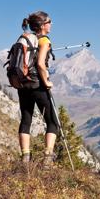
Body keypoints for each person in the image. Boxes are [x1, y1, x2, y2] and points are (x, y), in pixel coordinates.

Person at [18, 11, 57, 168]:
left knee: (26, 120)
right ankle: (47, 159)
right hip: (37, 85)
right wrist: (46, 81)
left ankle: (25, 158)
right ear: (42, 25)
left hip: (23, 84)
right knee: (52, 121)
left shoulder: (28, 39)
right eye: (49, 21)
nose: (51, 24)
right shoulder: (44, 40)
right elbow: (41, 64)